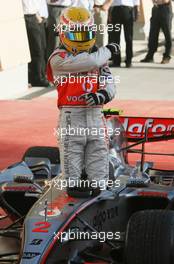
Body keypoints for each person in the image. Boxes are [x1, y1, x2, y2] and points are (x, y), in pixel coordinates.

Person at [47, 7, 117, 195]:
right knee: (72, 172)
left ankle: (99, 196)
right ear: (63, 34)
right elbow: (90, 62)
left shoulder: (99, 58)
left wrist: (102, 95)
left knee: (100, 168)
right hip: (71, 117)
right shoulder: (57, 59)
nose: (81, 39)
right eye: (75, 35)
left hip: (96, 114)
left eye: (85, 34)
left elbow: (110, 84)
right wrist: (108, 50)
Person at [22, 0, 50, 87]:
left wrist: (39, 15)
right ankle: (37, 78)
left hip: (36, 16)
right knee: (36, 49)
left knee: (42, 48)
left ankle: (41, 75)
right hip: (28, 16)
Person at [109, 0, 140, 68]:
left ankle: (118, 61)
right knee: (126, 37)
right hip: (124, 10)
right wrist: (137, 11)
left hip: (120, 10)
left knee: (118, 37)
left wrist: (137, 12)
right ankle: (127, 61)